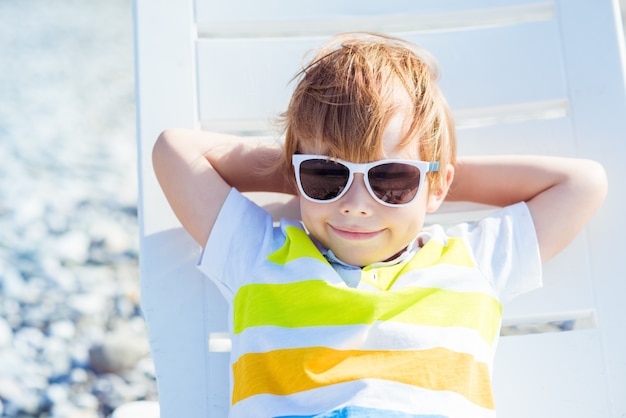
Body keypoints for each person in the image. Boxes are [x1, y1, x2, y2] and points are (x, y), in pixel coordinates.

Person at [152, 33, 607, 418]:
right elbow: (175, 151)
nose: (356, 206)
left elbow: (582, 183)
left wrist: (435, 176)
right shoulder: (257, 256)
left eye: (390, 179)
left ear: (436, 184)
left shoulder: (475, 263)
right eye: (326, 175)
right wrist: (300, 170)